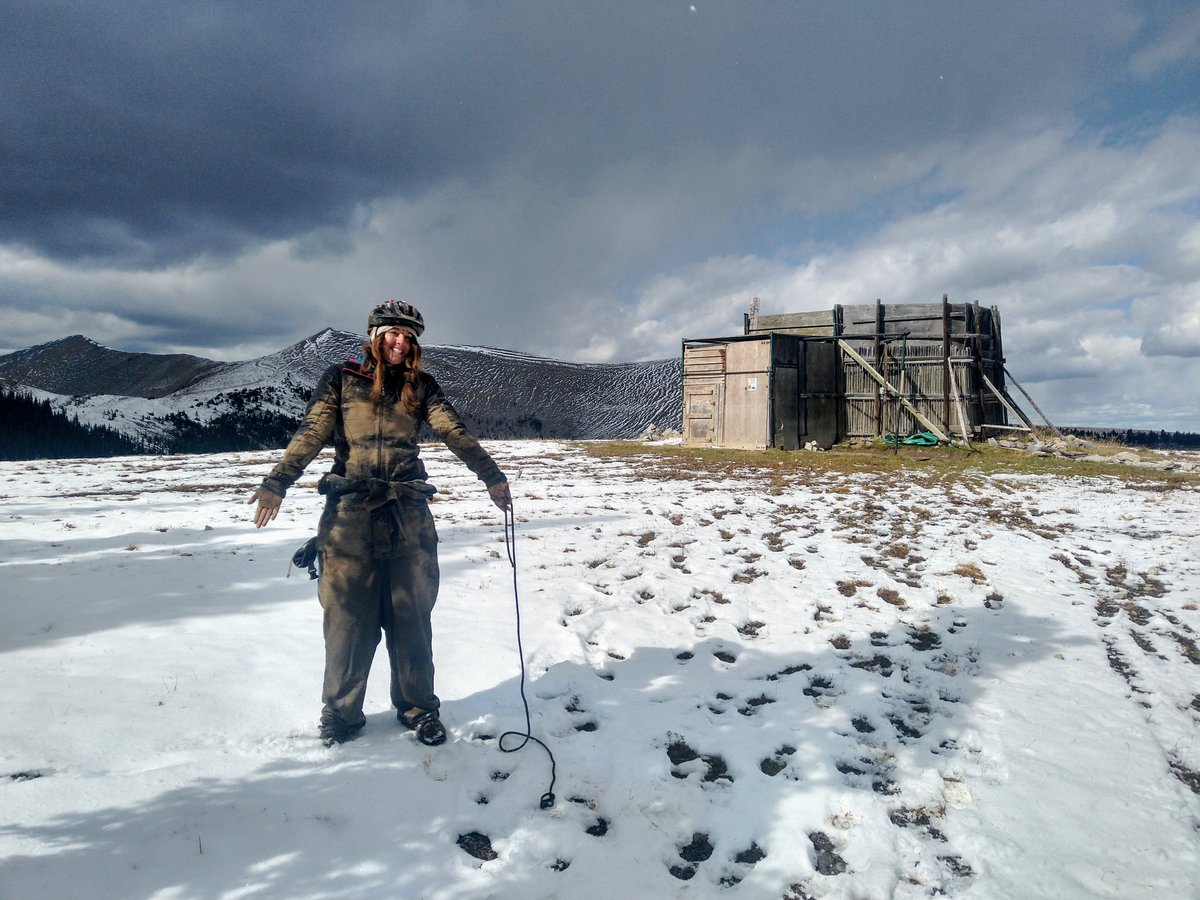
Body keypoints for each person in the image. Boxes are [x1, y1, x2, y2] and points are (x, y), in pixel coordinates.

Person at [249, 300, 511, 747]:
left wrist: (492, 476)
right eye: (393, 333)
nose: (400, 342)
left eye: (409, 337)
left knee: (412, 616)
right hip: (349, 515)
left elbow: (453, 431)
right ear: (375, 334)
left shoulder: (421, 385)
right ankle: (341, 713)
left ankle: (418, 708)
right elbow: (312, 432)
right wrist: (278, 481)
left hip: (408, 514)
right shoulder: (343, 378)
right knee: (347, 619)